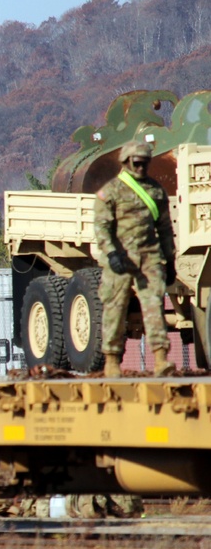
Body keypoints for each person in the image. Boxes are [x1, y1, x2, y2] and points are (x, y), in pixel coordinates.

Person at [94, 140, 177, 378]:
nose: (141, 168)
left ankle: (161, 359)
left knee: (154, 307)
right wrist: (111, 253)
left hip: (149, 256)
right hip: (120, 257)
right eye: (137, 163)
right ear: (126, 162)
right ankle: (111, 360)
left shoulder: (155, 191)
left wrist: (170, 261)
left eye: (145, 163)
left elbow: (164, 228)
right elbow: (101, 226)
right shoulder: (111, 191)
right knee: (115, 308)